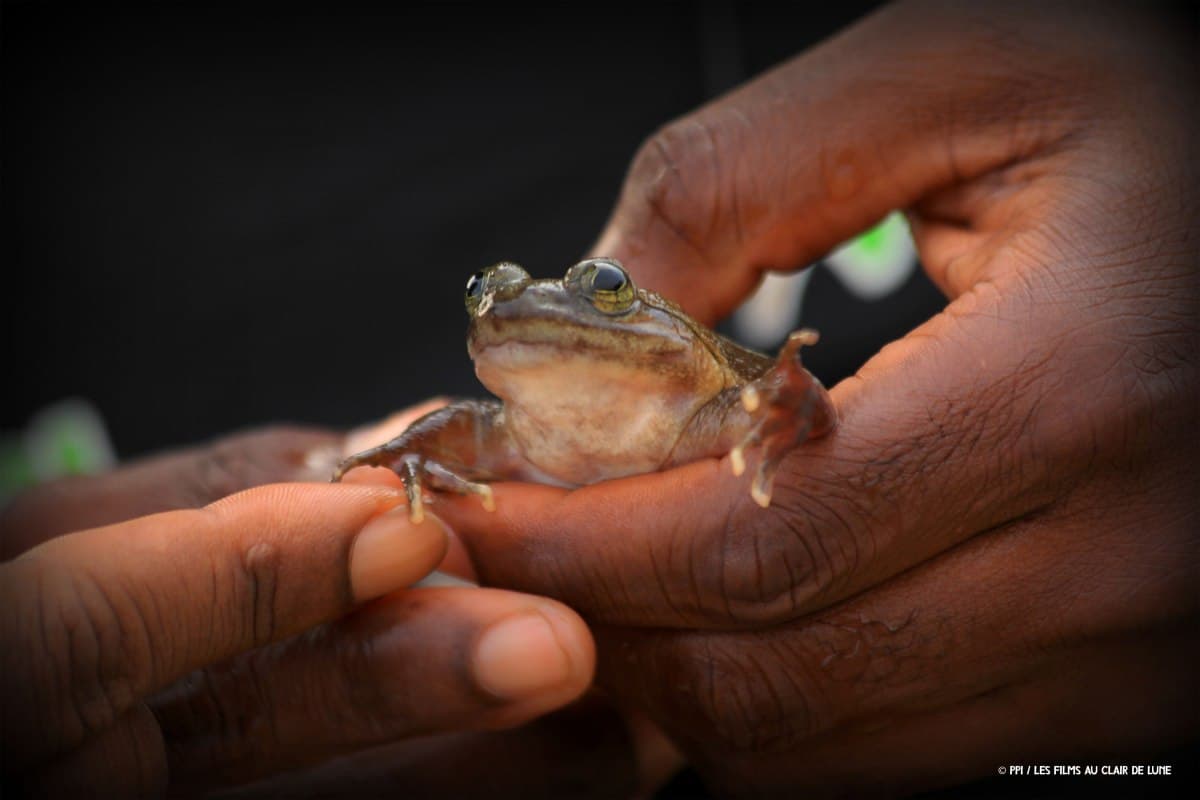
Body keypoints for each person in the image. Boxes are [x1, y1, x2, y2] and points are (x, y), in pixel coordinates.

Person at [2, 0, 1195, 796]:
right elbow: (437, 437)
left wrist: (793, 414)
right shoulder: (494, 422)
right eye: (494, 298)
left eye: (603, 288)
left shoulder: (709, 393)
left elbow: (793, 402)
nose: (527, 310)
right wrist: (397, 467)